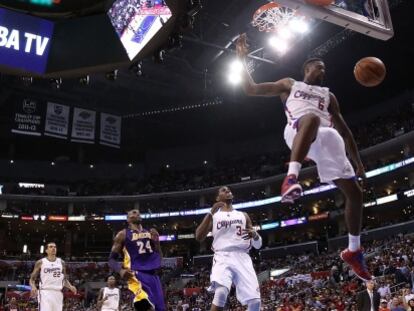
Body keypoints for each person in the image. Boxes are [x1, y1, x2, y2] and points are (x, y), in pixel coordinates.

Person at [236, 33, 371, 281]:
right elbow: (250, 89)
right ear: (307, 68)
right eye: (319, 66)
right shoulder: (290, 84)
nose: (323, 70)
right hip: (296, 133)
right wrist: (241, 59)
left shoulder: (329, 96)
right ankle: (291, 178)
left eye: (325, 68)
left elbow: (345, 129)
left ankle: (354, 251)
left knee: (355, 193)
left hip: (324, 138)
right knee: (310, 118)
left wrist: (358, 161)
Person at [195, 186, 262, 311]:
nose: (227, 191)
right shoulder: (214, 216)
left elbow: (258, 245)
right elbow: (199, 236)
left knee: (255, 302)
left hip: (243, 257)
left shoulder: (243, 215)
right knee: (221, 293)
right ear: (217, 198)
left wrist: (256, 235)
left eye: (229, 190)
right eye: (223, 190)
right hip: (222, 256)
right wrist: (211, 212)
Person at [109, 209, 165, 311]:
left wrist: (157, 243)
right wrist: (120, 270)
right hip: (136, 275)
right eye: (134, 212)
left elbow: (159, 258)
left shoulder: (150, 232)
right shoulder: (123, 234)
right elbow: (111, 260)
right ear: (128, 219)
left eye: (139, 212)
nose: (137, 213)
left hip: (153, 277)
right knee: (145, 307)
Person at [29, 242, 77, 311]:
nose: (53, 248)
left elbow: (64, 279)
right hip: (45, 292)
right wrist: (33, 287)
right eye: (51, 247)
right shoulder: (40, 262)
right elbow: (32, 279)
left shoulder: (61, 262)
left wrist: (70, 286)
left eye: (55, 247)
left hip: (58, 293)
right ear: (46, 250)